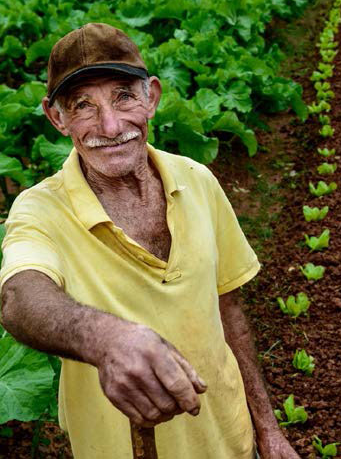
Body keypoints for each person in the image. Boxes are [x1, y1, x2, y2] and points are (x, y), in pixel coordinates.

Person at [0, 23, 301, 459]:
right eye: (83, 106)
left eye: (123, 96)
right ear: (57, 118)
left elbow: (227, 307)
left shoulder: (197, 180)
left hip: (230, 439)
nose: (110, 124)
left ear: (152, 98)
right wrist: (105, 338)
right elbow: (19, 297)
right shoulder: (39, 210)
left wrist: (267, 429)